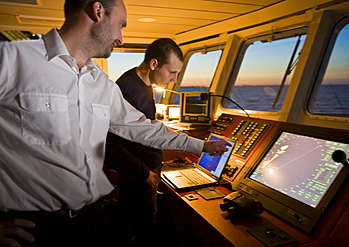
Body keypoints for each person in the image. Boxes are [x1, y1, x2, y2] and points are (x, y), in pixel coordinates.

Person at [0, 0, 231, 246]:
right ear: (98, 11)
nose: (121, 38)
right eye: (121, 25)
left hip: (89, 220)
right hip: (33, 228)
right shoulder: (13, 59)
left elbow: (141, 128)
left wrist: (200, 146)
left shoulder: (102, 84)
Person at [104, 38, 184, 244]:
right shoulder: (127, 90)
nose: (174, 79)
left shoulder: (146, 83)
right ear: (154, 64)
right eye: (172, 72)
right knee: (141, 230)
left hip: (147, 170)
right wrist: (144, 173)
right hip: (138, 176)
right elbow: (111, 144)